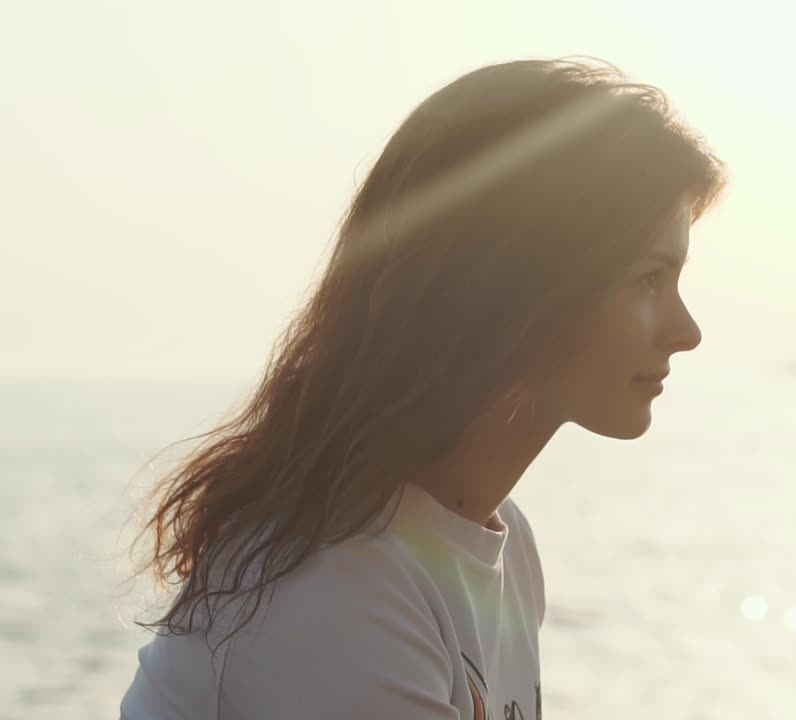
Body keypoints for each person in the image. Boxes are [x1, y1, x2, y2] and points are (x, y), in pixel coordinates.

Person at [118, 56, 725, 719]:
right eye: (648, 279)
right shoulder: (339, 586)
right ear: (521, 285)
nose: (686, 330)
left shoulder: (499, 545)